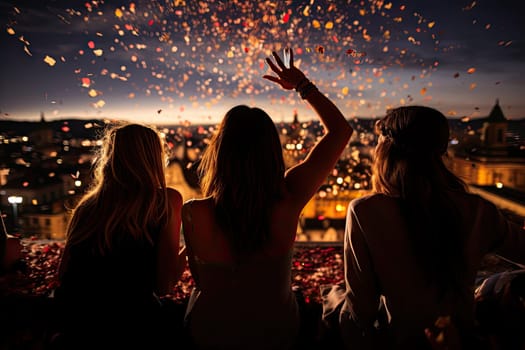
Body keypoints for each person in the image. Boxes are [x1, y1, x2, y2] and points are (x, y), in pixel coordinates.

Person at [181, 48, 353, 350]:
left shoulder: (194, 212)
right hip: (278, 332)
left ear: (220, 153)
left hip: (211, 334)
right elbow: (340, 131)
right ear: (272, 152)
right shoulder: (288, 198)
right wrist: (303, 85)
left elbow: (201, 282)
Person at [321, 105, 525, 349]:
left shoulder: (365, 211)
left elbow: (360, 309)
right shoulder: (477, 210)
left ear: (386, 151)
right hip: (459, 339)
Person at [53, 122, 185, 349]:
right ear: (153, 158)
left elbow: (63, 274)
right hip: (132, 327)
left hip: (77, 328)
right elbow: (164, 286)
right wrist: (190, 248)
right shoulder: (166, 201)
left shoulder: (87, 207)